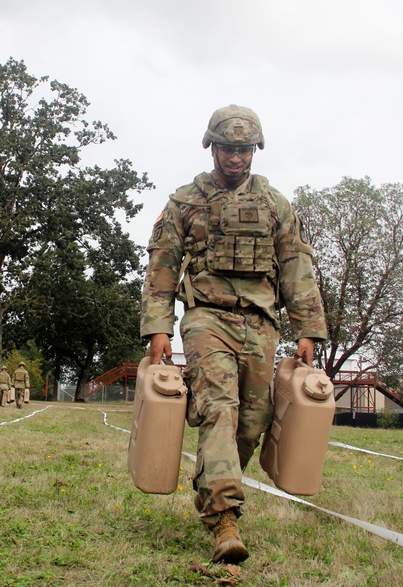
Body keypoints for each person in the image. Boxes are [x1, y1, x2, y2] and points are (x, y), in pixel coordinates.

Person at [140, 105, 327, 564]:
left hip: (262, 323)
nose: (236, 157)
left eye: (244, 149)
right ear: (212, 147)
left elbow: (296, 266)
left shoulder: (276, 204)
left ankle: (212, 486)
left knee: (252, 422)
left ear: (254, 150)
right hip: (206, 318)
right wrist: (159, 327)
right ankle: (225, 518)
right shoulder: (185, 201)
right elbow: (162, 266)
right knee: (219, 408)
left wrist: (308, 329)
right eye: (227, 148)